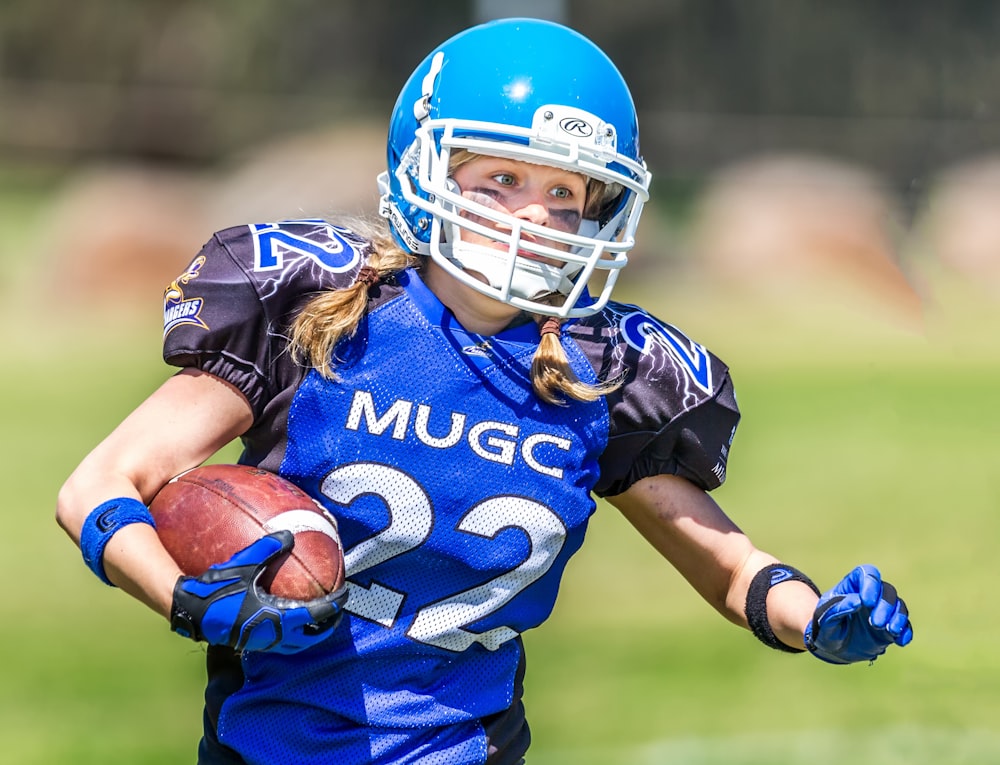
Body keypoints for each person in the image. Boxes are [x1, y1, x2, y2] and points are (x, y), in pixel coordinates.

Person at [56, 17, 913, 765]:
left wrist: (819, 616)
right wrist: (185, 599)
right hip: (269, 744)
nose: (535, 214)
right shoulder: (320, 312)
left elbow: (731, 566)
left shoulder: (603, 373)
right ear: (426, 169)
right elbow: (97, 486)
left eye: (564, 193)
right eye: (502, 178)